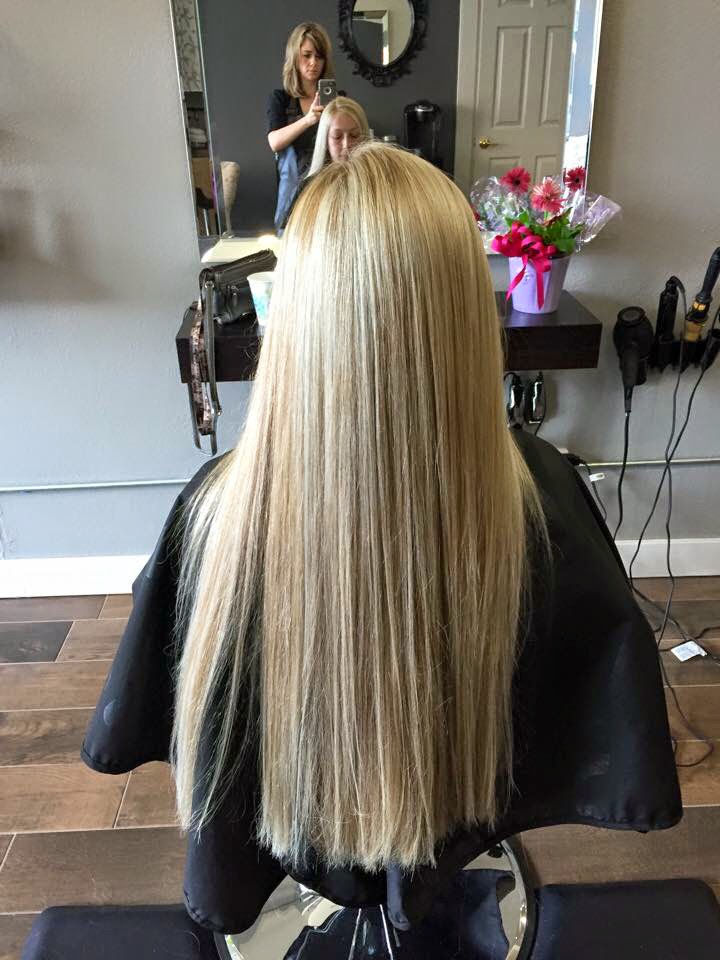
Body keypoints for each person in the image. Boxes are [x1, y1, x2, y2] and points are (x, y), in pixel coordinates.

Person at [83, 143, 680, 936]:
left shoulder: (211, 510)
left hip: (293, 810)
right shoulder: (547, 497)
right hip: (456, 799)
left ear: (298, 309)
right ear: (465, 309)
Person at [267, 22, 335, 231]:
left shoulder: (335, 100)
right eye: (307, 55)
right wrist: (308, 120)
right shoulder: (281, 99)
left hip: (328, 190)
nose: (313, 62)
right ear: (295, 56)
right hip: (293, 193)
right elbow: (274, 142)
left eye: (319, 56)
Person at [305, 96, 370, 177]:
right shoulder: (312, 183)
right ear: (325, 142)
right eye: (337, 137)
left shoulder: (378, 180)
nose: (346, 145)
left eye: (354, 135)